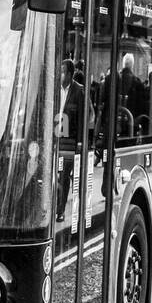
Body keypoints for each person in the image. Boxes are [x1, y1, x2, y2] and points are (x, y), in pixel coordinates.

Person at [56, 58, 86, 223]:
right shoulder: (54, 88)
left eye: (62, 72)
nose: (60, 75)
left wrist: (80, 142)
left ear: (70, 74)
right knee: (54, 175)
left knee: (63, 175)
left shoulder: (78, 90)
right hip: (55, 136)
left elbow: (82, 118)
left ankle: (60, 210)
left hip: (69, 139)